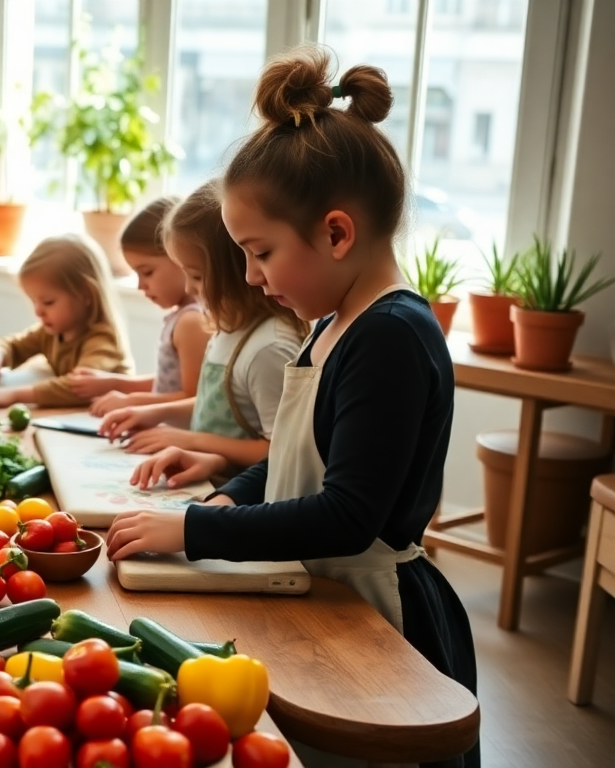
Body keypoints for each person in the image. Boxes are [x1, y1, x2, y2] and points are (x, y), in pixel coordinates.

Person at [108, 47, 478, 768]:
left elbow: (346, 514)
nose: (250, 276)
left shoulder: (391, 336)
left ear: (337, 234)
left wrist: (190, 531)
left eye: (261, 252)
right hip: (322, 596)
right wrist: (224, 495)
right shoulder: (334, 324)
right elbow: (297, 460)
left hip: (379, 616)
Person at [97, 181, 307, 472]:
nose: (188, 288)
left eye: (196, 276)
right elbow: (216, 405)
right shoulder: (228, 329)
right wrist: (155, 413)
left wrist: (190, 440)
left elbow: (279, 451)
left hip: (234, 500)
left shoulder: (268, 348)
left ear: (235, 272)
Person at [64, 197, 210, 416]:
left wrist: (130, 401)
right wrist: (114, 383)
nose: (141, 285)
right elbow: (169, 384)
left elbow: (192, 397)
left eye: (147, 272)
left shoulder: (191, 322)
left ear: (180, 257)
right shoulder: (181, 317)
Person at [0, 233, 133, 408]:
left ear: (86, 294)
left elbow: (79, 386)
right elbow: (14, 346)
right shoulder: (53, 331)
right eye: (34, 301)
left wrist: (15, 395)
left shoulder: (104, 340)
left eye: (48, 302)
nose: (38, 311)